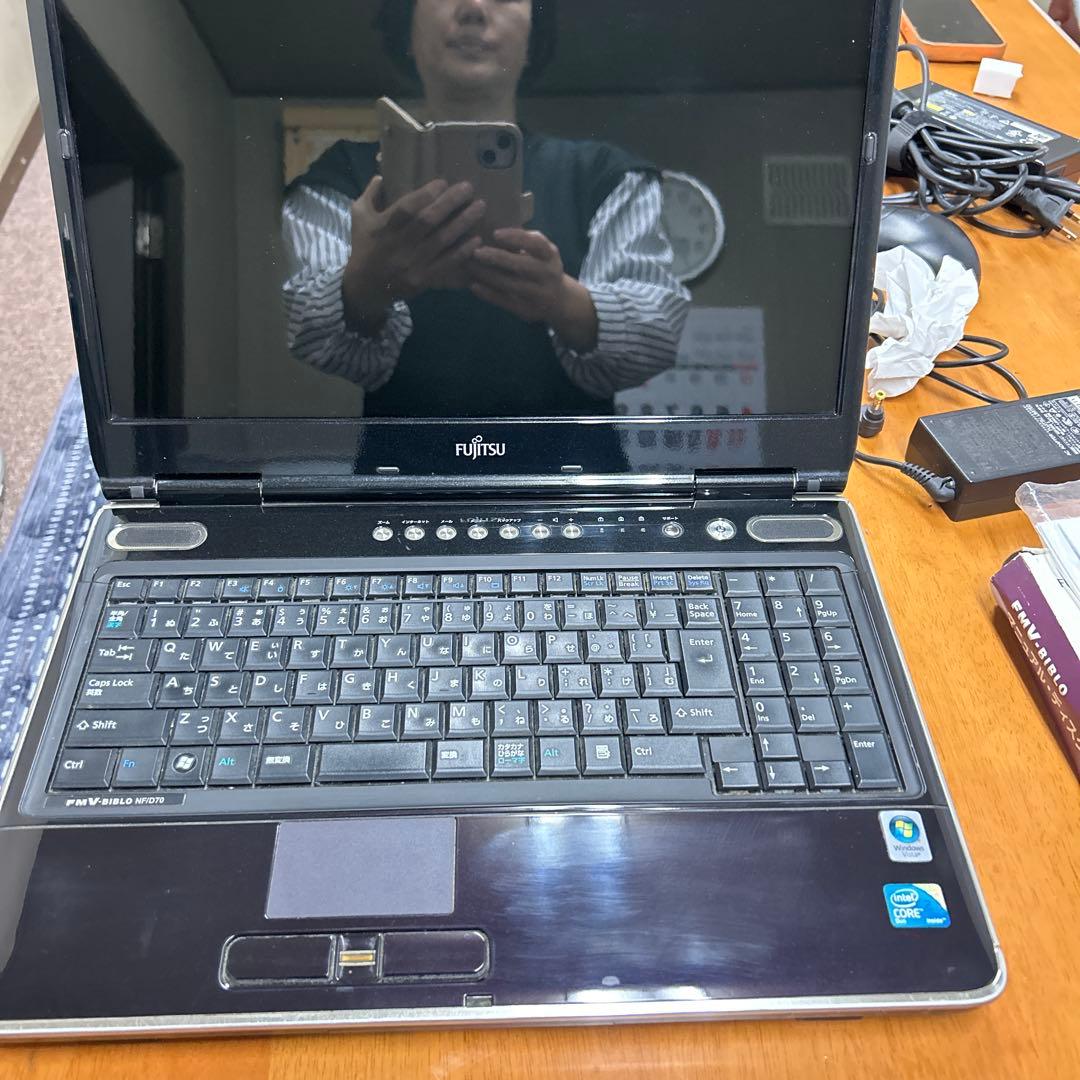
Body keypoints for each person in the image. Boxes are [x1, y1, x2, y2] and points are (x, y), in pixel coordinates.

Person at [282, 0, 690, 417]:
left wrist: (561, 300)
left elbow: (658, 339)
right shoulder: (340, 176)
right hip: (408, 460)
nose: (474, 8)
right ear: (406, 27)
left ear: (533, 36)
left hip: (566, 462)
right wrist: (364, 286)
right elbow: (310, 331)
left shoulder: (609, 177)